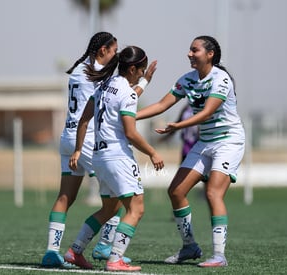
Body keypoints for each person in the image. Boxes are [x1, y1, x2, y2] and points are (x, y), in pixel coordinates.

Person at [41, 32, 156, 269]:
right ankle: (106, 248)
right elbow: (123, 99)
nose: (116, 55)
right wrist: (144, 82)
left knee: (66, 197)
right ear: (102, 50)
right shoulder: (96, 77)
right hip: (91, 143)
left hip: (69, 138)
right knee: (118, 202)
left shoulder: (79, 71)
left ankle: (53, 251)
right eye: (113, 50)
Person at [137, 35, 245, 268]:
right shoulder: (187, 80)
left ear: (210, 54)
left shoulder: (221, 79)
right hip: (204, 142)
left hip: (229, 142)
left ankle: (219, 256)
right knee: (176, 191)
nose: (189, 54)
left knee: (213, 193)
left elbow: (206, 113)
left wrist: (177, 126)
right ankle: (189, 246)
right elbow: (161, 105)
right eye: (189, 49)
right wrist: (129, 116)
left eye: (194, 50)